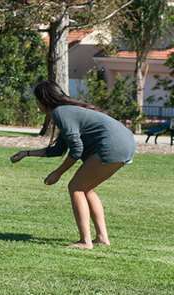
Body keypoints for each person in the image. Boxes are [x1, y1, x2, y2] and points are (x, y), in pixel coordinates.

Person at [10, 80, 136, 249]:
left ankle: (85, 241)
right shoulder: (67, 112)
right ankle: (102, 238)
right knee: (86, 188)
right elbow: (58, 149)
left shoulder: (61, 113)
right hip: (126, 143)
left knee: (75, 187)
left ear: (43, 100)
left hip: (112, 145)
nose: (36, 104)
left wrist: (58, 173)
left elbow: (76, 150)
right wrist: (26, 154)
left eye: (36, 100)